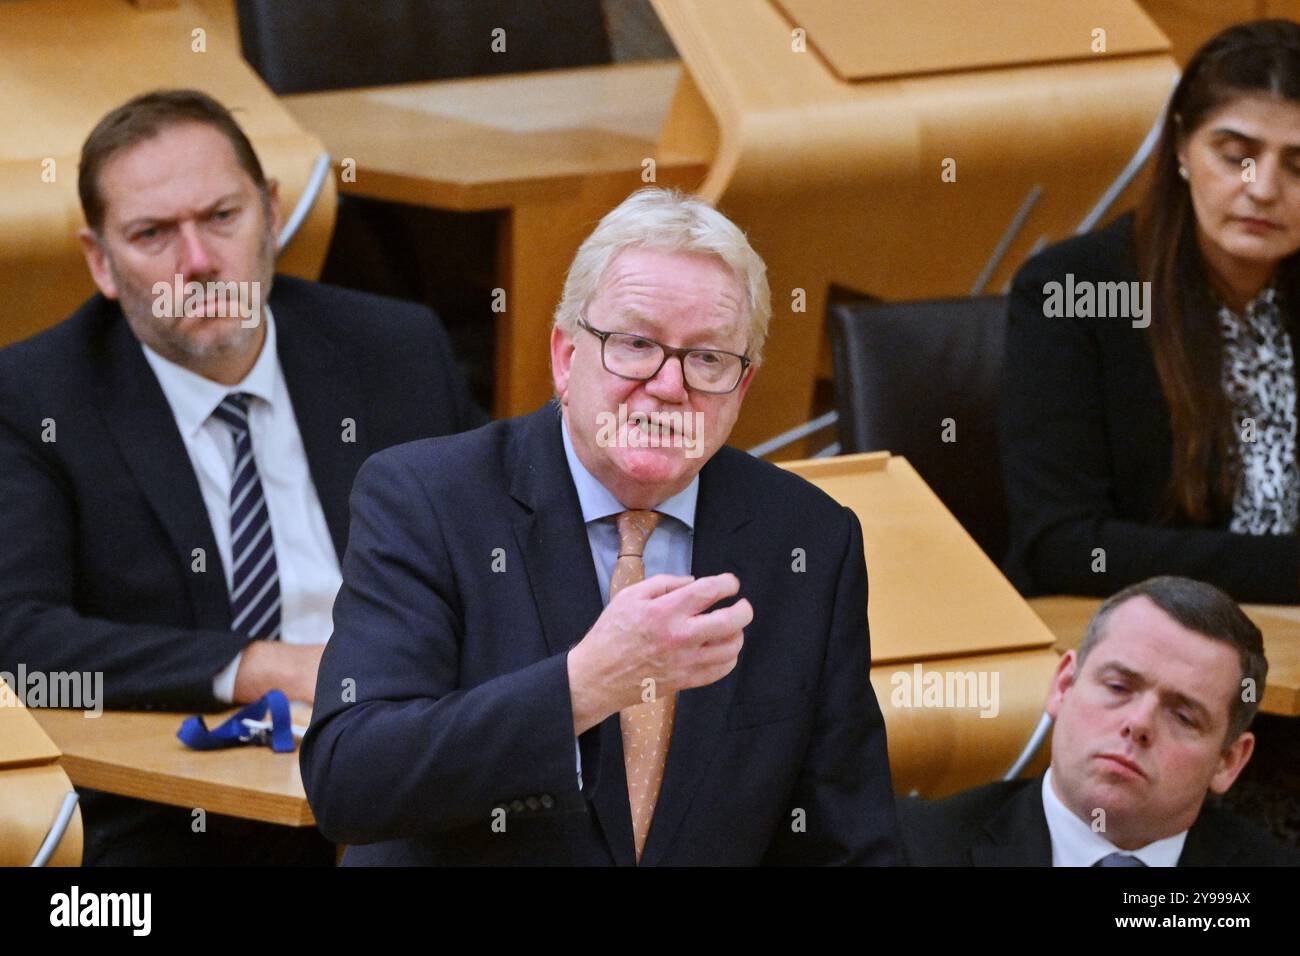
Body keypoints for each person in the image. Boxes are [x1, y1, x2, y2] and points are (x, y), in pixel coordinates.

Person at [300, 187, 902, 865]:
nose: (670, 385)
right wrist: (582, 687)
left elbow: (845, 838)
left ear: (744, 388)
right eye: (636, 343)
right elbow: (350, 779)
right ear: (565, 355)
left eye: (707, 359)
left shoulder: (807, 539)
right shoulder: (429, 500)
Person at [0, 89, 483, 865]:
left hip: (408, 770)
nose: (198, 262)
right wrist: (261, 666)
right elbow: (18, 644)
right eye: (153, 234)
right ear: (101, 262)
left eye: (222, 217)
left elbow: (495, 557)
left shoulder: (394, 347)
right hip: (178, 811)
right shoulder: (34, 398)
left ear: (271, 212)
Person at [1002, 19, 1300, 603]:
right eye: (1236, 154)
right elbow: (1061, 546)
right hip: (1143, 649)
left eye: (1299, 165)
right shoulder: (1074, 290)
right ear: (1183, 146)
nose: (1262, 188)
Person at [899, 576, 1299, 866]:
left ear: (1228, 761)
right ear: (1063, 685)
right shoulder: (912, 849)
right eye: (1118, 687)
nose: (1139, 723)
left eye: (1182, 715)